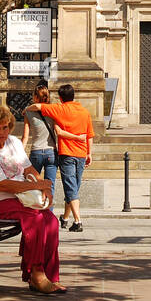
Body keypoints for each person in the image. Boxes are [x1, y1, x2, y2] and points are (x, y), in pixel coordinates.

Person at [0, 104, 64, 294]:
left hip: (21, 198)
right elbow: (2, 185)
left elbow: (28, 169)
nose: (3, 132)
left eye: (6, 127)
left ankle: (50, 275)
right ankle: (36, 273)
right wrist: (38, 186)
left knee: (52, 221)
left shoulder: (13, 142)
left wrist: (45, 188)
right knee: (36, 219)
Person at [26, 83, 94, 232]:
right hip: (82, 153)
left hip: (67, 153)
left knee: (71, 188)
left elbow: (37, 106)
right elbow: (89, 135)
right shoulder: (84, 111)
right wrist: (90, 153)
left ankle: (78, 221)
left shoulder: (59, 109)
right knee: (74, 187)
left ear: (61, 98)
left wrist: (26, 109)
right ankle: (65, 218)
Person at [21, 82, 57, 189]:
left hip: (36, 151)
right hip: (51, 152)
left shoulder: (28, 113)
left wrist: (20, 154)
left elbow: (25, 136)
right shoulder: (53, 110)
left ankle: (35, 205)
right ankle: (49, 205)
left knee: (32, 184)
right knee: (50, 186)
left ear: (36, 97)